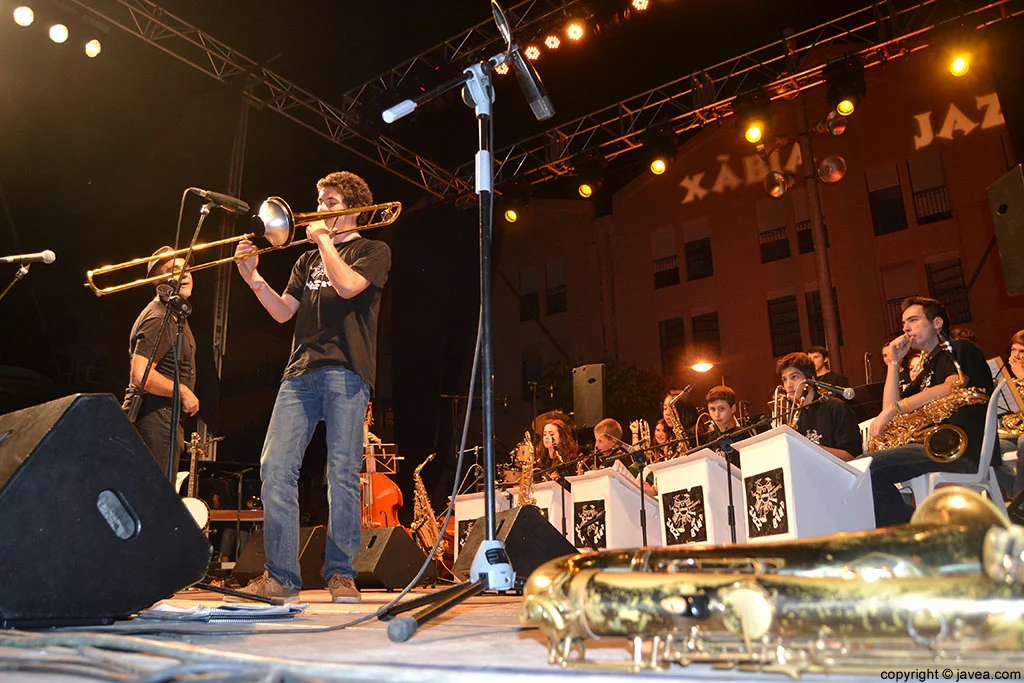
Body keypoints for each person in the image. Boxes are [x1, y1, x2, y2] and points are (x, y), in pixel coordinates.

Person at [233, 171, 391, 603]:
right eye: (319, 201)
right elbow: (284, 313)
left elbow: (348, 286)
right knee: (274, 468)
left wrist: (324, 240)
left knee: (340, 475)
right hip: (299, 372)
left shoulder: (373, 249)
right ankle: (281, 576)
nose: (320, 209)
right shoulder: (306, 262)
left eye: (331, 202)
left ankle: (341, 574)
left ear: (353, 209)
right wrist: (253, 279)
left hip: (347, 371)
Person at [866, 296, 994, 527]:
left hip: (959, 450)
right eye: (904, 322)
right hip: (931, 448)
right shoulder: (927, 367)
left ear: (937, 323)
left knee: (867, 468)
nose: (905, 328)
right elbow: (890, 407)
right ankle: (918, 528)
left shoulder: (959, 349)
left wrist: (895, 409)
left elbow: (952, 385)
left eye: (913, 320)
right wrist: (893, 364)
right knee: (859, 468)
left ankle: (915, 533)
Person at [123, 246, 199, 479]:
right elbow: (139, 375)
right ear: (160, 282)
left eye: (187, 268)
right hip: (154, 420)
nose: (184, 273)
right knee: (153, 501)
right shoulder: (159, 316)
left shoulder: (173, 315)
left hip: (165, 419)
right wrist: (183, 391)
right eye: (175, 269)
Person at [777, 352, 862, 462]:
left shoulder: (836, 408)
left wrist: (809, 448)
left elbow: (853, 457)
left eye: (794, 377)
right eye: (785, 379)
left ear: (811, 379)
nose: (788, 385)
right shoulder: (798, 416)